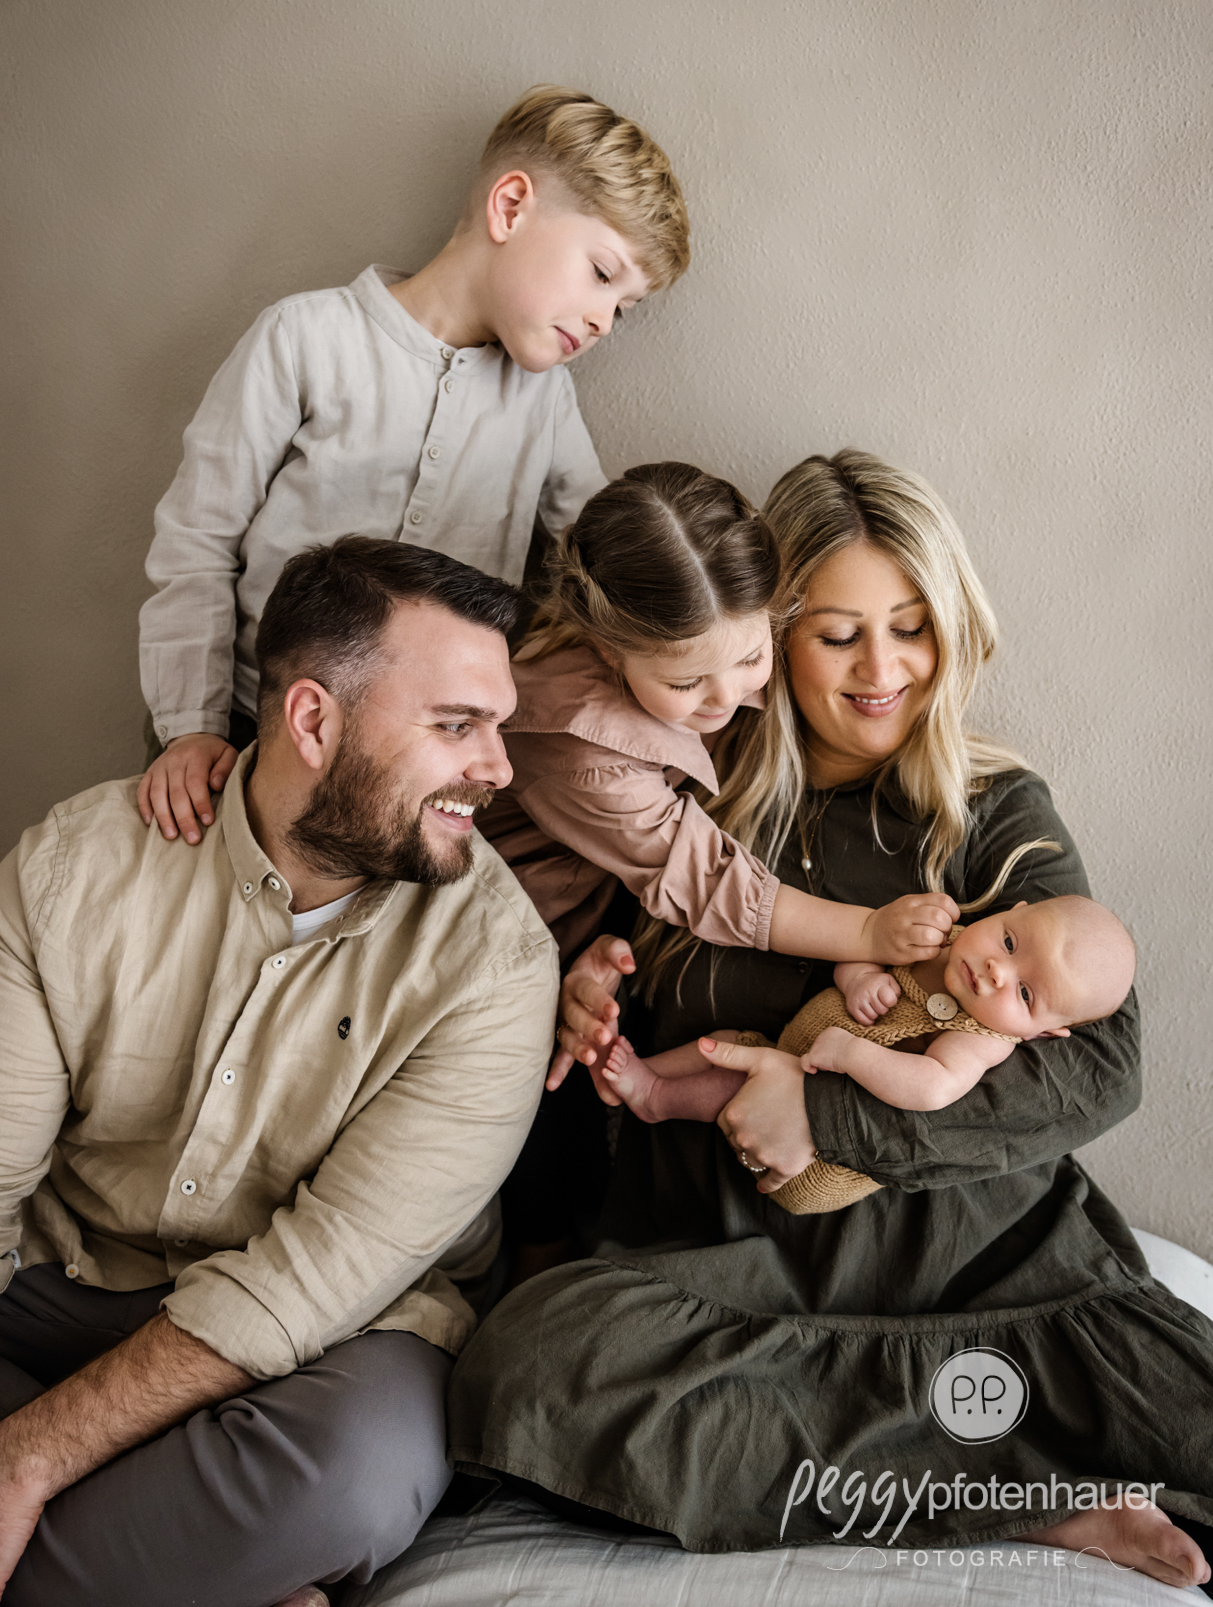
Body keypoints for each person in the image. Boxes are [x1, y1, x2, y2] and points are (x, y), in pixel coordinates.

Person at [447, 450, 1213, 1592]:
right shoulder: (676, 799)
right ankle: (993, 1490)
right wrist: (582, 990)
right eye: (837, 632)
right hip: (730, 1264)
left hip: (972, 1265)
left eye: (910, 627)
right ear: (771, 635)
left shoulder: (992, 814)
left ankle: (948, 1467)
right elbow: (564, 949)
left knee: (1188, 1418)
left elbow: (1102, 1066)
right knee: (524, 1363)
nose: (881, 670)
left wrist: (831, 1120)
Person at [0, 537, 559, 1607]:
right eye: (456, 727)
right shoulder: (78, 868)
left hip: (323, 1348)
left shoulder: (497, 966)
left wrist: (28, 1457)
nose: (497, 769)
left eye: (495, 727)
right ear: (312, 721)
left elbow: (314, 1279)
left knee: (359, 1472)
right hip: (64, 1281)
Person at [137, 84, 690, 847]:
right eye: (602, 273)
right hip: (248, 729)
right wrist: (189, 728)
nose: (603, 320)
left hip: (427, 768)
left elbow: (602, 561)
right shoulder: (305, 339)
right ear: (510, 207)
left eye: (623, 308)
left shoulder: (543, 401)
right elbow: (197, 542)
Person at [481, 460, 959, 1276]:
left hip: (595, 913)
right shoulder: (577, 741)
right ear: (607, 648)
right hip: (506, 933)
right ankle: (532, 1264)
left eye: (749, 658)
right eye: (685, 682)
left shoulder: (725, 661)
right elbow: (706, 883)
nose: (727, 697)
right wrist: (868, 932)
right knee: (542, 1096)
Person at [600, 892, 1135, 1134]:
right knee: (721, 1041)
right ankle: (631, 1073)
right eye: (1011, 941)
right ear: (1011, 911)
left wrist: (854, 1053)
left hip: (810, 1109)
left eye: (1024, 995)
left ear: (1048, 1032)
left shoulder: (981, 1036)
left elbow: (932, 1086)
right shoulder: (941, 939)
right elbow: (857, 948)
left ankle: (652, 1098)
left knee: (729, 1083)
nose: (997, 970)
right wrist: (857, 978)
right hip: (785, 1048)